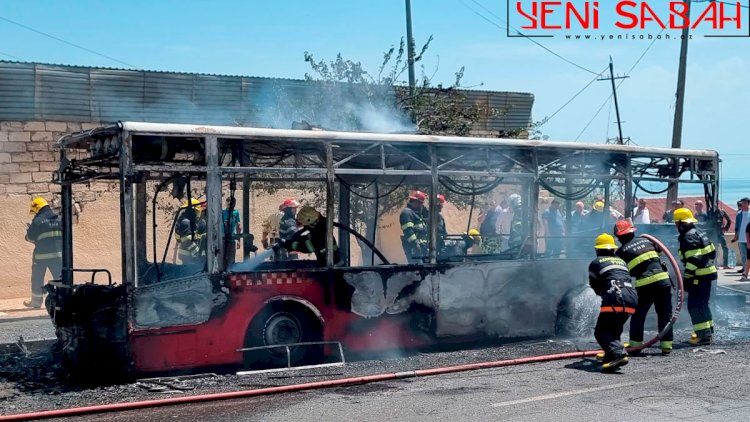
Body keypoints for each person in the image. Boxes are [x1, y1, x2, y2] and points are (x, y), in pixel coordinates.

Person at [614, 219, 674, 355]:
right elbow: (658, 254)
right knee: (665, 314)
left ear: (618, 236)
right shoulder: (647, 241)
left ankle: (635, 346)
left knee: (638, 314)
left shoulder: (621, 252)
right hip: (663, 282)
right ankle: (666, 346)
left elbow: (622, 272)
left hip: (645, 285)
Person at [589, 233, 638, 372]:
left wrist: (604, 294)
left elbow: (594, 285)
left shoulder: (596, 262)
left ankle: (618, 354)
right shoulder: (621, 261)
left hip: (615, 296)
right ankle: (610, 355)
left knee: (601, 331)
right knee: (614, 329)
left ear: (598, 249)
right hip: (632, 296)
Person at [674, 208, 717, 345]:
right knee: (703, 304)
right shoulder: (699, 232)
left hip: (699, 276)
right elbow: (712, 253)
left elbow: (694, 259)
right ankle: (708, 333)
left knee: (694, 305)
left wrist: (688, 277)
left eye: (676, 223)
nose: (676, 226)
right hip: (707, 273)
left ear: (681, 223)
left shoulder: (688, 236)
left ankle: (702, 336)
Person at [24, 197, 63, 308]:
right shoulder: (59, 219)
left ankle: (36, 302)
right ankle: (62, 299)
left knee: (37, 278)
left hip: (41, 256)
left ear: (37, 208)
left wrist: (27, 233)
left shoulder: (37, 221)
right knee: (60, 279)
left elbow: (30, 237)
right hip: (58, 256)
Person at [174, 198, 205, 266]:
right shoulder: (186, 222)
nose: (198, 213)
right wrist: (197, 254)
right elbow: (188, 241)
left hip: (187, 255)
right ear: (193, 211)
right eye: (197, 211)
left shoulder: (186, 220)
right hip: (188, 256)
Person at [400, 191, 429, 263]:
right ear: (416, 202)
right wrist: (415, 245)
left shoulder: (415, 213)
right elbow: (408, 231)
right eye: (421, 203)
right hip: (414, 249)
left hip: (421, 249)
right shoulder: (407, 213)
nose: (421, 205)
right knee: (417, 271)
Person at [222, 197, 242, 265]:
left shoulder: (235, 213)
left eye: (230, 204)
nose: (229, 205)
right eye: (227, 204)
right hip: (223, 239)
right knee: (223, 258)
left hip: (231, 239)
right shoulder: (222, 212)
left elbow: (238, 227)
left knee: (231, 259)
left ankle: (230, 272)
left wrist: (239, 240)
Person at [732, 198, 749, 273]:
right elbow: (737, 226)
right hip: (741, 238)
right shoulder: (739, 214)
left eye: (745, 203)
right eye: (742, 203)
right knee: (743, 255)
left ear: (748, 204)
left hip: (749, 238)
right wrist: (736, 236)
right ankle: (745, 270)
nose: (743, 204)